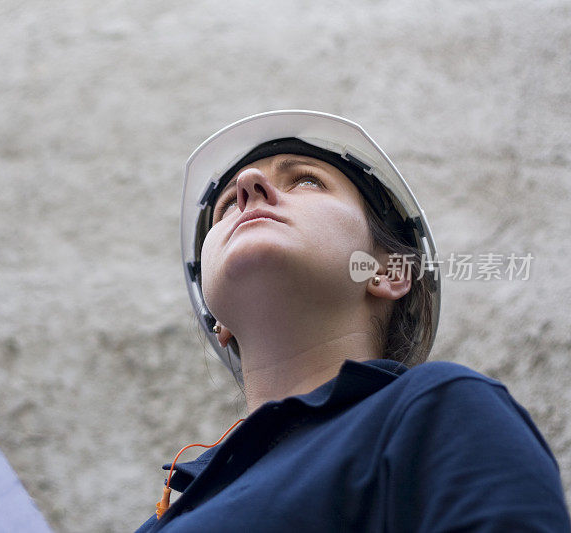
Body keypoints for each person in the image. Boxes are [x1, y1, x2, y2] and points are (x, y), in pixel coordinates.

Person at [135, 110, 571, 532]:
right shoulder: (163, 520)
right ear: (219, 322)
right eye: (227, 204)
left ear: (389, 271)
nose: (247, 185)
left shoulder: (438, 412)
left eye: (306, 180)